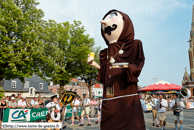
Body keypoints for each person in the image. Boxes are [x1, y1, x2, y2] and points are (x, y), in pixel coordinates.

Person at [87, 9, 145, 130]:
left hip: (126, 100)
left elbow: (138, 66)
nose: (106, 22)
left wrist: (124, 66)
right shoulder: (104, 52)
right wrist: (94, 64)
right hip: (109, 100)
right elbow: (104, 74)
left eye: (112, 17)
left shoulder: (134, 45)